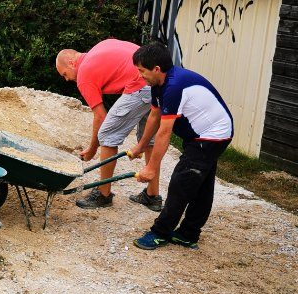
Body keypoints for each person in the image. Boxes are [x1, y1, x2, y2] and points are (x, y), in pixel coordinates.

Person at [129, 42, 233, 250]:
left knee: (181, 183)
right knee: (201, 184)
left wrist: (151, 168)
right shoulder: (158, 84)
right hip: (202, 134)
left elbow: (165, 132)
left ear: (156, 69)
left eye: (141, 71)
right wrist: (141, 146)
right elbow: (154, 115)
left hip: (212, 136)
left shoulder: (174, 86)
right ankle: (188, 234)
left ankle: (160, 233)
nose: (140, 75)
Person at [56, 39, 162, 211]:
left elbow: (100, 117)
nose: (67, 79)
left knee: (107, 135)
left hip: (140, 84)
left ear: (71, 62)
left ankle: (103, 194)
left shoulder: (84, 74)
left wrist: (91, 150)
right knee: (148, 138)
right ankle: (152, 196)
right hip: (156, 79)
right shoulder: (99, 48)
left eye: (64, 74)